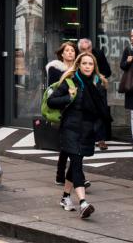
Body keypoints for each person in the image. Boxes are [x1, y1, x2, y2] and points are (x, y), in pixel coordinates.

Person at [47, 52, 110, 219]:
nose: (87, 66)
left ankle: (65, 197)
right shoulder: (71, 81)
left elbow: (102, 111)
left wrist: (96, 129)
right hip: (71, 128)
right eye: (84, 63)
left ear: (94, 66)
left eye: (90, 64)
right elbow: (51, 101)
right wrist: (69, 97)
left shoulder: (99, 84)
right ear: (79, 65)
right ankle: (83, 202)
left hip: (88, 131)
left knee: (77, 162)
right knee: (76, 163)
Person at [46, 42, 78, 185]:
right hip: (63, 110)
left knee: (67, 146)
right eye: (67, 50)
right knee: (69, 146)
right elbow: (53, 90)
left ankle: (61, 176)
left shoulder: (80, 68)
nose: (70, 53)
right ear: (62, 54)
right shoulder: (55, 69)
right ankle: (75, 177)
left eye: (72, 50)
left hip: (76, 110)